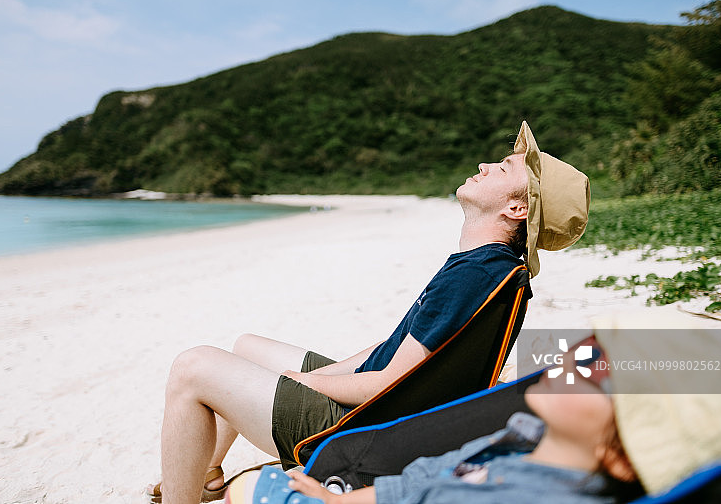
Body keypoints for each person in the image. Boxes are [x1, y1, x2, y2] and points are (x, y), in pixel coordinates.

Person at [147, 121, 591, 504]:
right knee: (246, 347)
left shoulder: (473, 275)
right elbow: (394, 349)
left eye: (504, 168)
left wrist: (305, 384)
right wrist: (328, 375)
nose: (485, 166)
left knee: (192, 367)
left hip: (352, 427)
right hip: (378, 405)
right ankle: (206, 474)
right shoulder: (490, 269)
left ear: (516, 208)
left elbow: (389, 382)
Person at [226, 317, 721, 504]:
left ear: (623, 456)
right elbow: (419, 482)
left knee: (249, 487)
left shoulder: (535, 499)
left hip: (359, 425)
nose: (573, 357)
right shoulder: (521, 435)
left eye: (598, 367)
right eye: (589, 344)